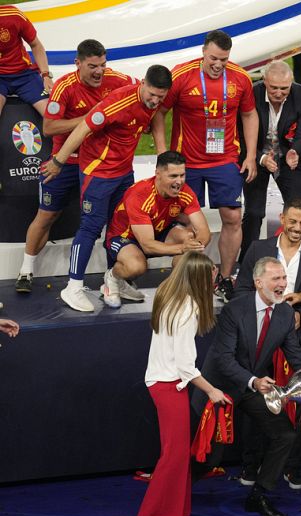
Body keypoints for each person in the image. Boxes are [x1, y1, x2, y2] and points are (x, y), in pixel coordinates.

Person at [41, 64, 173, 312]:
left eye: (160, 97)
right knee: (91, 226)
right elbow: (81, 129)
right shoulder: (117, 102)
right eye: (151, 94)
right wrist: (58, 161)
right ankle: (73, 286)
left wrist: (163, 159)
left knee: (120, 227)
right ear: (143, 83)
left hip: (124, 172)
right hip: (98, 173)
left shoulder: (152, 103)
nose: (155, 101)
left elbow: (156, 118)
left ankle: (115, 280)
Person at [193, 256, 301, 516]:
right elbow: (223, 359)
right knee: (209, 457)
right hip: (219, 388)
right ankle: (177, 495)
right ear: (259, 283)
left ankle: (259, 495)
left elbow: (296, 357)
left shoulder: (284, 313)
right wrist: (254, 381)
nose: (283, 284)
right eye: (276, 279)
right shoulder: (235, 309)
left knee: (284, 435)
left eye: (284, 278)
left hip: (250, 386)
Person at [16, 39, 134, 294]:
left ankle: (115, 277)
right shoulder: (64, 87)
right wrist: (90, 120)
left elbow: (145, 91)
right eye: (92, 66)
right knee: (46, 215)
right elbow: (48, 128)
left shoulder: (119, 80)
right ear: (77, 63)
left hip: (99, 165)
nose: (99, 72)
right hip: (66, 162)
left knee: (114, 220)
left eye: (103, 64)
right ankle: (26, 270)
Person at [153, 30, 258, 302]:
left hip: (224, 160)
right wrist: (164, 153)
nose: (218, 65)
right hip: (187, 162)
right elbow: (159, 112)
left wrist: (250, 156)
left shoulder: (240, 78)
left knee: (233, 217)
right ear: (203, 52)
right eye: (213, 58)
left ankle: (225, 277)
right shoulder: (181, 76)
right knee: (185, 220)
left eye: (223, 59)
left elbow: (249, 114)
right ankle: (193, 277)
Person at [134, 251, 229, 516]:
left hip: (163, 382)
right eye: (211, 274)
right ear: (200, 277)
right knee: (174, 455)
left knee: (178, 454)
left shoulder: (170, 297)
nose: (215, 278)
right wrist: (212, 390)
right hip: (169, 384)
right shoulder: (188, 309)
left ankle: (178, 513)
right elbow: (186, 367)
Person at [102, 151, 211, 308]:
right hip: (125, 236)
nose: (179, 181)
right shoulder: (140, 194)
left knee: (190, 239)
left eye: (182, 175)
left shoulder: (185, 192)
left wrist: (195, 245)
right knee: (136, 266)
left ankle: (177, 289)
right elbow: (147, 245)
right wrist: (182, 248)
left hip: (158, 231)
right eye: (173, 176)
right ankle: (113, 277)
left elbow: (204, 231)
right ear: (158, 174)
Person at [234, 198, 301, 359]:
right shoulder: (258, 249)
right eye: (292, 221)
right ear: (282, 218)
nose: (297, 228)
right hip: (258, 335)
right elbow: (241, 290)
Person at [240, 60, 301, 259]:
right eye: (274, 88)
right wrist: (260, 158)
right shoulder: (251, 94)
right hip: (256, 156)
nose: (279, 93)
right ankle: (247, 259)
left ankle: (294, 256)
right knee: (254, 213)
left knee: (297, 210)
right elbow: (240, 135)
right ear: (264, 81)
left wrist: (295, 152)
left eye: (284, 88)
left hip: (288, 157)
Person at [0, 5, 51, 117]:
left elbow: (36, 45)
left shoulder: (13, 15)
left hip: (24, 75)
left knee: (52, 116)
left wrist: (46, 75)